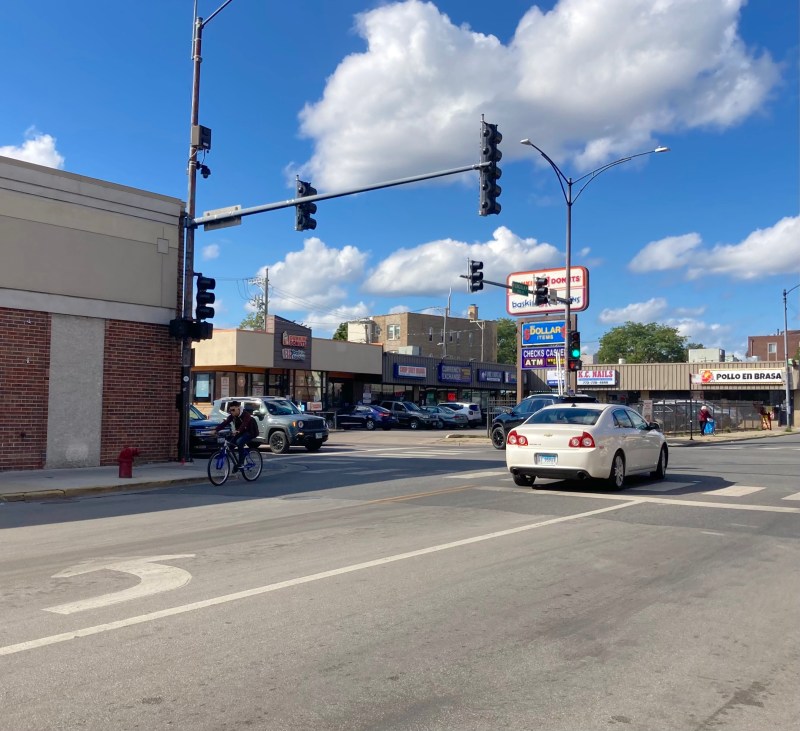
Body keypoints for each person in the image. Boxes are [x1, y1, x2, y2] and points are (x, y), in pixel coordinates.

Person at [215, 401, 259, 471]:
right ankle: (236, 464)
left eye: (233, 410)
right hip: (240, 432)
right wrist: (216, 430)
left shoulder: (246, 414)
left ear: (238, 408)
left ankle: (241, 463)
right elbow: (225, 422)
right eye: (230, 410)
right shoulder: (233, 416)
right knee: (230, 445)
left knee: (239, 442)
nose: (231, 412)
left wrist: (238, 430)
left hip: (250, 432)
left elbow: (244, 424)